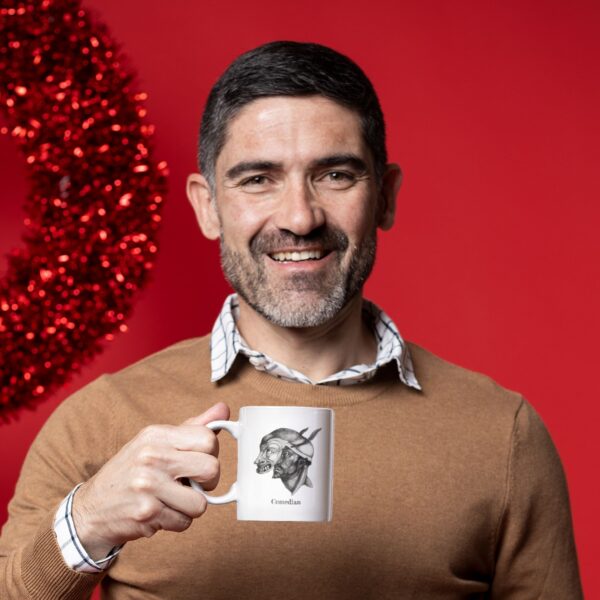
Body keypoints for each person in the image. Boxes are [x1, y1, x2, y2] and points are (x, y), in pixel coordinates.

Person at [0, 41, 582, 599]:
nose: (300, 218)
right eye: (258, 179)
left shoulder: (502, 433)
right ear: (208, 207)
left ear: (385, 197)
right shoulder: (104, 422)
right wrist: (88, 525)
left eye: (335, 175)